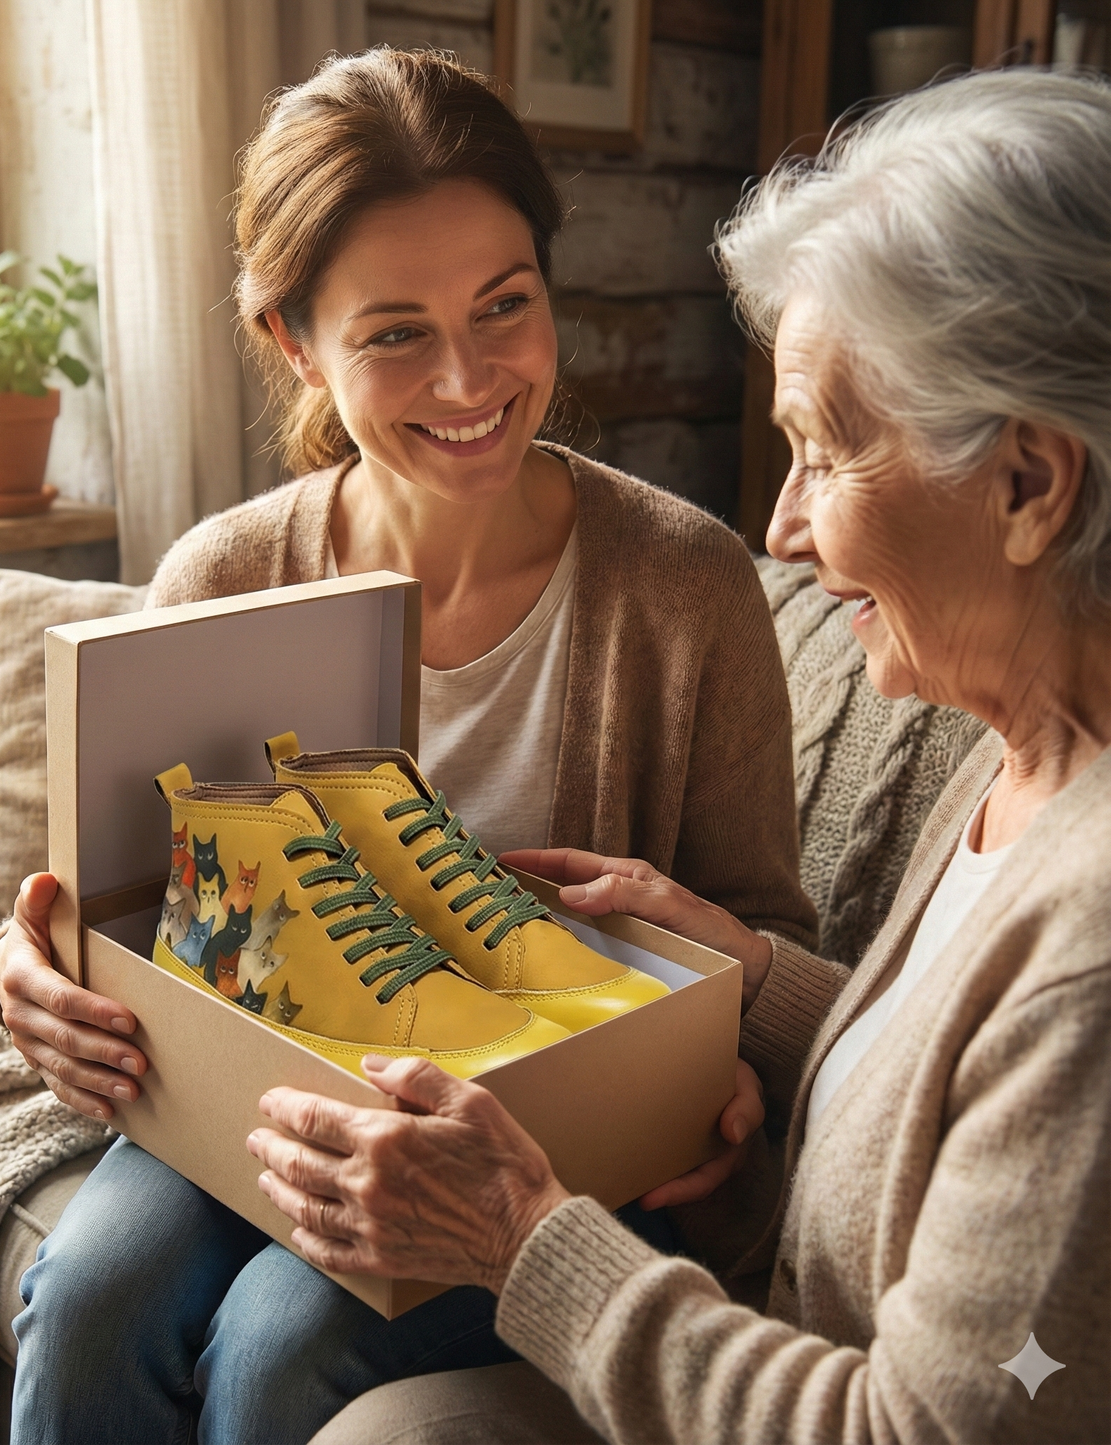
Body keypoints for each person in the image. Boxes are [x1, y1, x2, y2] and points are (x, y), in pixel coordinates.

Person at [259, 70, 1111, 1445]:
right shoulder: (1026, 745)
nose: (781, 531)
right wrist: (743, 968)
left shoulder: (1093, 957)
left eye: (827, 452)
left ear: (1028, 485)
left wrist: (525, 1234)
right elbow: (947, 1081)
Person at [0, 48, 818, 1445]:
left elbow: (763, 929)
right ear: (294, 342)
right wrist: (27, 973)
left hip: (539, 1138)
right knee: (89, 1297)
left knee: (279, 1339)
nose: (470, 377)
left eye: (506, 305)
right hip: (252, 1080)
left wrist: (727, 1070)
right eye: (393, 333)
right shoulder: (222, 574)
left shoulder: (688, 589)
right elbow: (91, 901)